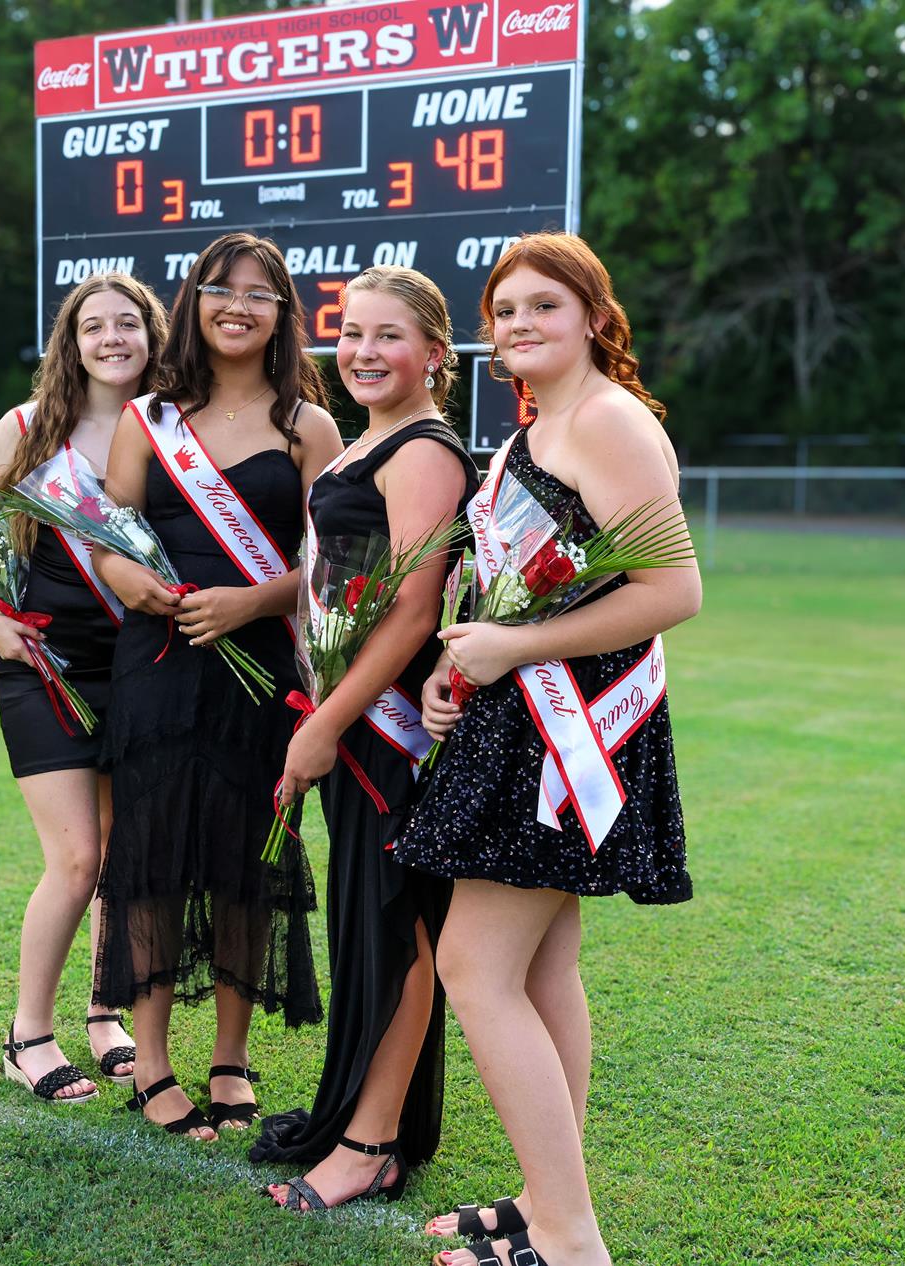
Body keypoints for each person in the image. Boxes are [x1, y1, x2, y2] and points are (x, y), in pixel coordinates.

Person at [393, 233, 701, 1266]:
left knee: (476, 968)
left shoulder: (609, 423)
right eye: (505, 310)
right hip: (517, 716)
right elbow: (517, 580)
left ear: (595, 322)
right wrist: (459, 665)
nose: (518, 325)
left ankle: (569, 1241)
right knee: (540, 967)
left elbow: (672, 592)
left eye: (543, 308)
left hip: (571, 730)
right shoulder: (539, 425)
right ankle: (540, 1199)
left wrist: (511, 646)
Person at [91, 232, 341, 1141]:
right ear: (194, 301)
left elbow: (332, 567)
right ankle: (150, 1064)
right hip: (158, 662)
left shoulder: (308, 427)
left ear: (282, 314)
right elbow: (104, 532)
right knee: (154, 859)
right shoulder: (148, 417)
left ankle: (230, 1058)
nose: (238, 305)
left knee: (249, 859)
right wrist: (131, 585)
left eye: (259, 293)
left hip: (261, 668)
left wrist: (251, 603)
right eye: (220, 289)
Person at [250, 267, 478, 1209]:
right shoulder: (360, 446)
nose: (364, 353)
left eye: (390, 337)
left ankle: (375, 1143)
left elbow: (415, 606)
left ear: (435, 354)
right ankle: (356, 1113)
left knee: (398, 928)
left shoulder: (424, 450)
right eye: (351, 334)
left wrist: (329, 724)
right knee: (367, 923)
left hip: (386, 735)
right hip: (347, 719)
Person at [0, 272, 167, 1104]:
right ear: (70, 342)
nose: (112, 338)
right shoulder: (26, 428)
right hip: (43, 661)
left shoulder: (168, 428)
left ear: (153, 336)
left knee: (124, 854)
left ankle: (104, 1014)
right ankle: (27, 1035)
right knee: (77, 857)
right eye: (94, 327)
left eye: (129, 324)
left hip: (140, 662)